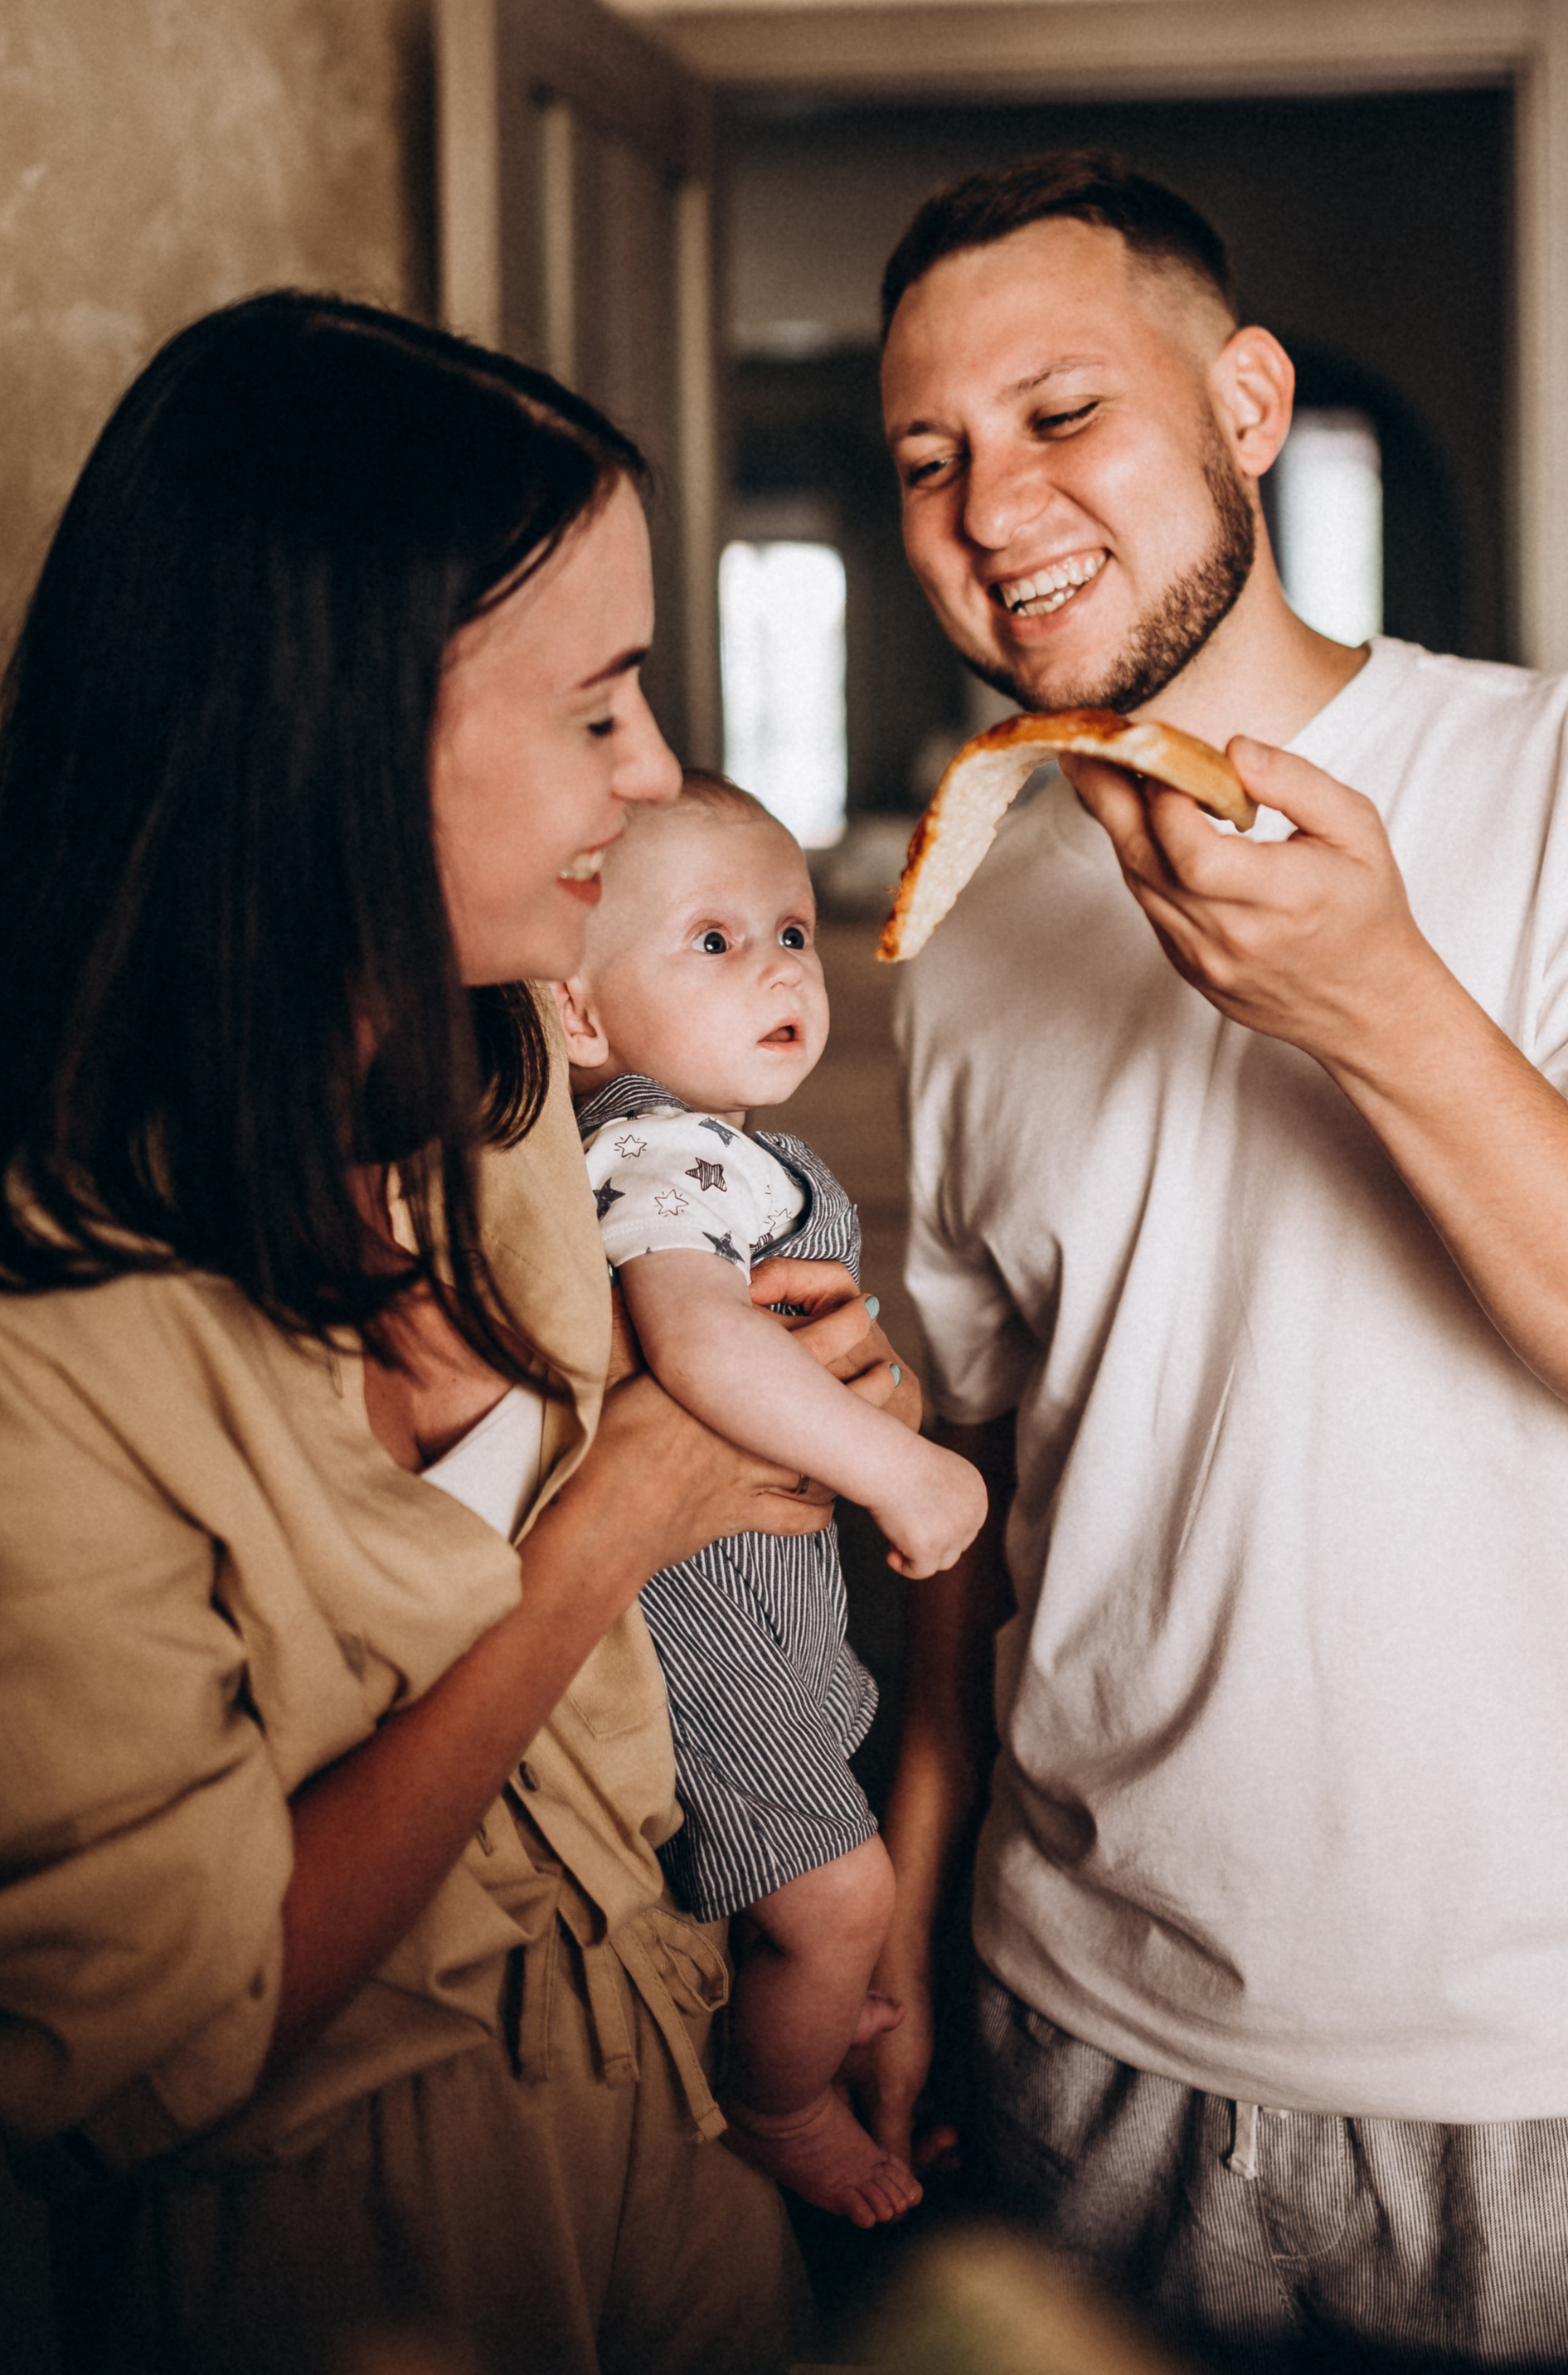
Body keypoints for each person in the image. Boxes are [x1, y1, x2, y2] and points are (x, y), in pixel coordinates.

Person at [857, 154, 1568, 2371]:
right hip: (1082, 2045)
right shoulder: (979, 914)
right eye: (932, 458)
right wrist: (903, 1922)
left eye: (1058, 414)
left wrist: (1382, 1001)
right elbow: (975, 1506)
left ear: (1248, 402)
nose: (994, 506)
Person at [0, 291, 918, 2375]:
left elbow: (687, 1442)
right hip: (326, 2252)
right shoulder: (5, 1285)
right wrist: (608, 1529)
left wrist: (785, 1412)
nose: (647, 786)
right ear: (340, 725)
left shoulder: (524, 1085)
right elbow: (138, 2036)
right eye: (600, 708)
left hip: (685, 2097)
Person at [556, 771, 984, 2230]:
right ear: (582, 1015)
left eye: (792, 931)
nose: (781, 967)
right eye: (715, 942)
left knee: (809, 1879)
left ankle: (787, 2012)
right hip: (699, 1621)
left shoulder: (725, 1150)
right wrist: (902, 1467)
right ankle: (783, 2103)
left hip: (770, 1611)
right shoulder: (652, 1146)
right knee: (837, 1895)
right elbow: (693, 1338)